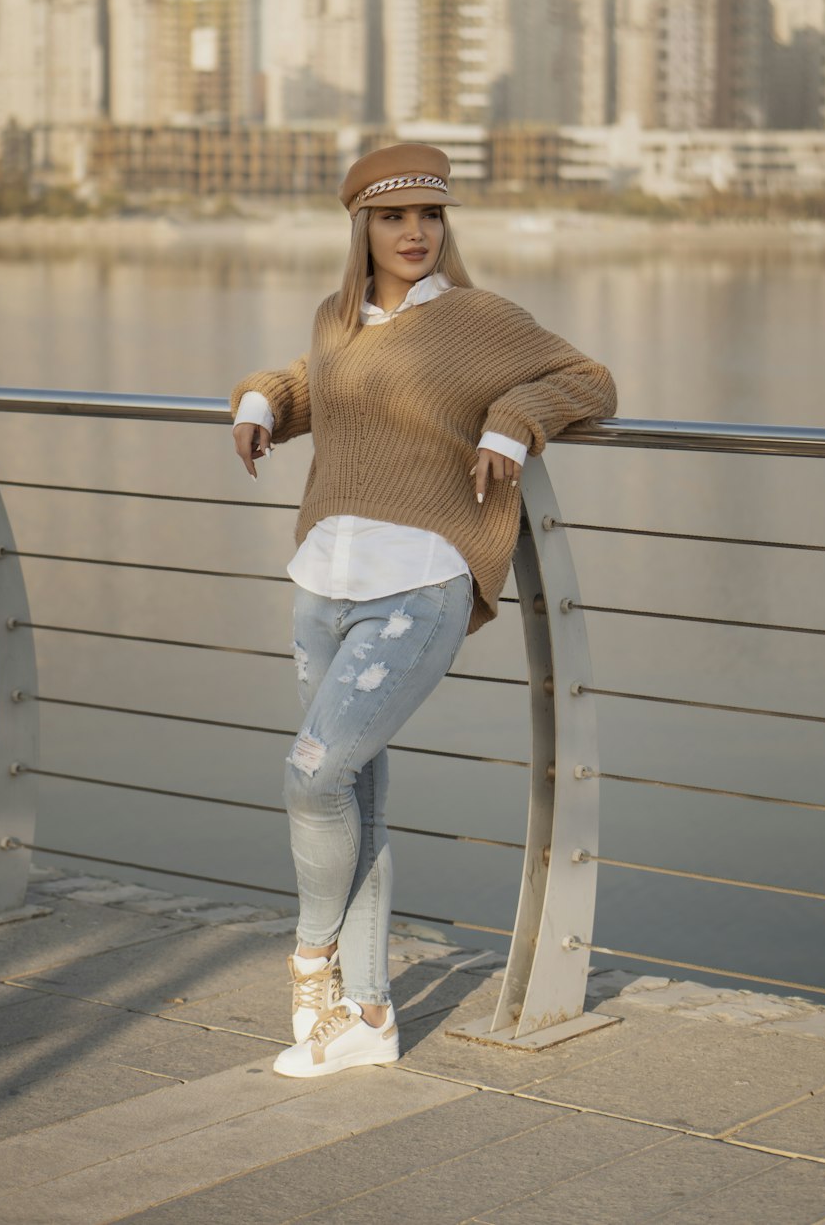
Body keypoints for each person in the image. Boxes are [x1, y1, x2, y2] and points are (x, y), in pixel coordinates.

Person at [231, 143, 616, 1079]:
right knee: (354, 794)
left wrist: (511, 422)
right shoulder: (339, 319)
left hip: (421, 579)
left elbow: (589, 381)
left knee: (313, 776)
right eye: (395, 217)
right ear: (361, 226)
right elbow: (317, 384)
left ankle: (311, 963)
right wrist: (259, 402)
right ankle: (368, 1016)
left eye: (431, 216)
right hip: (324, 579)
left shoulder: (480, 320)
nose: (416, 234)